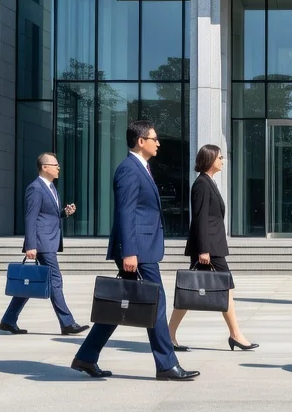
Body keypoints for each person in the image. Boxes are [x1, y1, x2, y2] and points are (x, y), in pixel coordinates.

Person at [71, 120, 198, 381]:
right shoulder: (129, 169)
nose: (158, 142)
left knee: (120, 304)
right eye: (154, 138)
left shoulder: (142, 168)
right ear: (141, 141)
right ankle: (166, 365)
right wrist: (129, 252)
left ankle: (86, 356)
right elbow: (125, 212)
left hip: (141, 249)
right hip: (138, 251)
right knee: (156, 303)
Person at [168, 144, 259, 351]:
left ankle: (169, 333)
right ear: (209, 160)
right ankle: (235, 334)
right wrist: (203, 250)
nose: (222, 161)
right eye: (219, 158)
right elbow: (200, 219)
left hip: (212, 246)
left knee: (192, 291)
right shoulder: (201, 184)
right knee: (218, 287)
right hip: (208, 248)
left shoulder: (209, 182)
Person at [0, 152, 87, 336]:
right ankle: (67, 323)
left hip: (49, 240)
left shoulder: (51, 188)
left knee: (31, 281)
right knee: (55, 280)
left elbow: (47, 215)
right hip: (42, 243)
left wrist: (64, 213)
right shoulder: (35, 188)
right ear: (45, 167)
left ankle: (8, 320)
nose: (58, 168)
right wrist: (31, 245)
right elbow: (30, 218)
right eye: (55, 165)